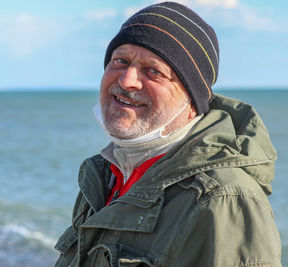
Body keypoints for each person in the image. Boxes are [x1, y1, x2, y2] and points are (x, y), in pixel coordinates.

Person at [55, 2, 282, 266]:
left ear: (191, 102)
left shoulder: (222, 198)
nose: (127, 80)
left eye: (154, 71)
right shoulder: (104, 175)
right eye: (121, 61)